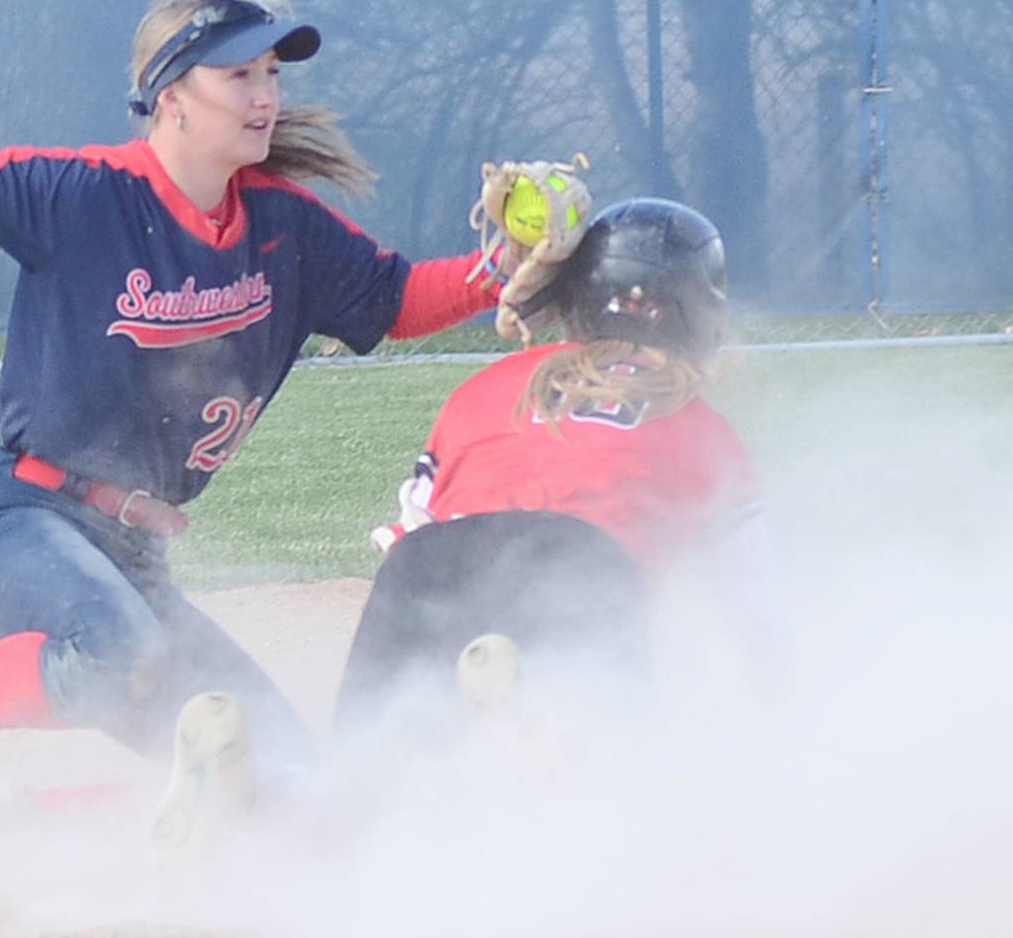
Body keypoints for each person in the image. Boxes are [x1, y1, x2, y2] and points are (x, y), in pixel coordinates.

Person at [0, 0, 586, 846]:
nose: (266, 94)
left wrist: (500, 266)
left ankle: (22, 819)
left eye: (273, 73)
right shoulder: (80, 196)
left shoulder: (284, 227)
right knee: (117, 652)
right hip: (18, 523)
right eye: (240, 73)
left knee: (297, 784)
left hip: (134, 562)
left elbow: (397, 300)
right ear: (171, 96)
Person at [331, 196, 779, 744]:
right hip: (579, 574)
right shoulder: (698, 425)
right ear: (697, 313)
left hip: (426, 568)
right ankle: (530, 734)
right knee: (607, 801)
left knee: (365, 786)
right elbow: (752, 616)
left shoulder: (481, 389)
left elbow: (408, 531)